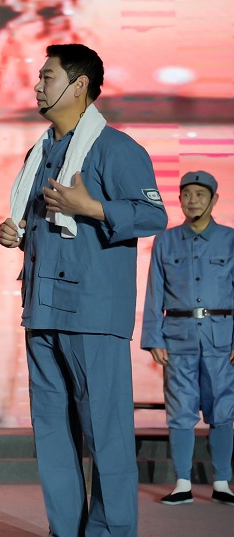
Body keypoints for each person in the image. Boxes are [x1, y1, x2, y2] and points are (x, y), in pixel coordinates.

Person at [0, 43, 167, 536]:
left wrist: (91, 207)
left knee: (105, 435)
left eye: (47, 77)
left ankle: (110, 531)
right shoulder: (39, 152)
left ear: (79, 86)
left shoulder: (116, 148)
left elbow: (153, 215)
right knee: (52, 435)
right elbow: (40, 223)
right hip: (42, 310)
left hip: (92, 313)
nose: (37, 86)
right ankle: (66, 530)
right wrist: (16, 232)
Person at [140, 170, 234, 506]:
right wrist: (154, 337)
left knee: (223, 409)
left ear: (214, 199)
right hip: (177, 337)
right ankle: (182, 483)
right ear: (179, 199)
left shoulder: (230, 239)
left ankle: (222, 482)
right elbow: (154, 291)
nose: (192, 201)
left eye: (200, 194)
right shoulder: (165, 241)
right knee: (180, 409)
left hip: (221, 337)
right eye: (186, 194)